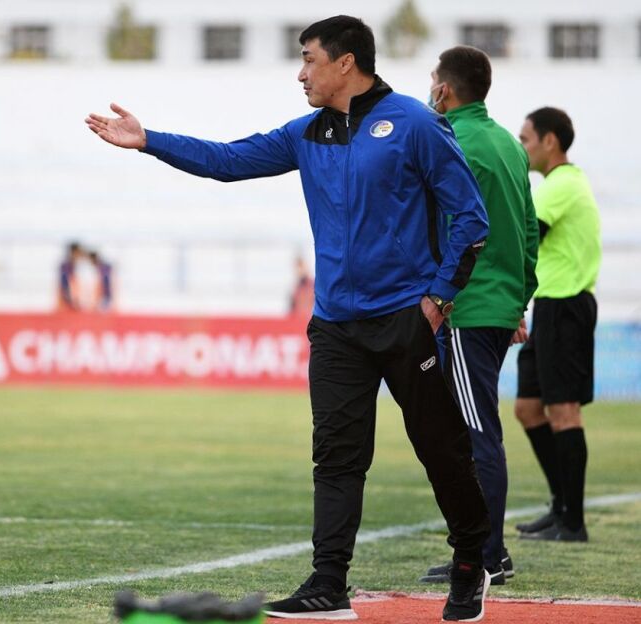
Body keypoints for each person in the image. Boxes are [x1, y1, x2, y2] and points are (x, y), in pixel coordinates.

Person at [86, 15, 492, 622]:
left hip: (406, 320)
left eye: (308, 59)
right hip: (335, 326)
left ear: (346, 62)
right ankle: (328, 584)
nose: (301, 73)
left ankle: (470, 561)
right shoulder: (306, 133)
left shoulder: (414, 123)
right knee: (336, 457)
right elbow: (227, 159)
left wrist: (438, 299)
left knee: (441, 450)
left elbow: (472, 219)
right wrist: (149, 140)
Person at [417, 46, 539, 588]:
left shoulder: (451, 140)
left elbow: (445, 229)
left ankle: (486, 556)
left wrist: (441, 299)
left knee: (474, 434)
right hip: (500, 302)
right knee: (473, 429)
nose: (429, 89)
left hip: (466, 306)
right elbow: (529, 229)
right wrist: (519, 298)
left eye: (432, 81)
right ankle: (487, 552)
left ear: (444, 90)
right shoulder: (510, 144)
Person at [513, 107, 600, 542]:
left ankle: (573, 522)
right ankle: (561, 505)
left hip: (566, 306)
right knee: (528, 408)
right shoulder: (558, 184)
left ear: (550, 141)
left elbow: (526, 236)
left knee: (564, 412)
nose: (522, 146)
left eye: (525, 139)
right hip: (549, 306)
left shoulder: (562, 183)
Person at [57, 241, 84, 311]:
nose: (79, 254)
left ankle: (71, 305)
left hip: (69, 281)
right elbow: (65, 276)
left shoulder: (71, 260)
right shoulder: (68, 261)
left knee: (69, 296)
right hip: (68, 281)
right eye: (78, 251)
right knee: (68, 295)